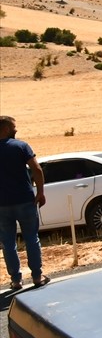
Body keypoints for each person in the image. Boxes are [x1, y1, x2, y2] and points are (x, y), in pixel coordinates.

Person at [0, 116, 48, 290]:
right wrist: (41, 192)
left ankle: (16, 280)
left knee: (7, 242)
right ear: (5, 129)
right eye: (13, 127)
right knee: (31, 238)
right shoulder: (21, 146)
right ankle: (37, 276)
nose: (16, 130)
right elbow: (36, 169)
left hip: (2, 205)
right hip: (25, 200)